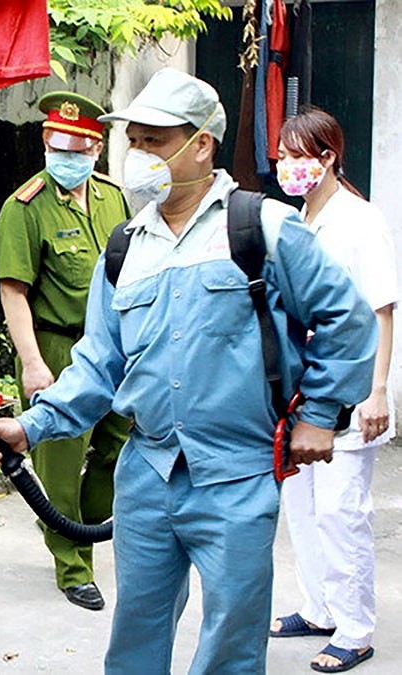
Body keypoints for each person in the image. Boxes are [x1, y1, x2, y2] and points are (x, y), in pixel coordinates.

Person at [0, 68, 378, 674]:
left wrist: (320, 415)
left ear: (201, 144)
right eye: (133, 141)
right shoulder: (125, 248)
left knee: (232, 637)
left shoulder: (261, 227)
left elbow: (348, 319)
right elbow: (99, 364)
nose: (138, 155)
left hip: (237, 470)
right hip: (147, 470)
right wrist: (31, 426)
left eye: (154, 140)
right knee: (136, 630)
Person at [269, 107, 396, 673]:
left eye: (298, 156)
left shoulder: (361, 221)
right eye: (282, 156)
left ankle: (355, 628)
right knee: (302, 507)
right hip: (303, 389)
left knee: (341, 512)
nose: (288, 167)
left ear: (328, 158)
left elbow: (381, 310)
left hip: (349, 390)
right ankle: (319, 608)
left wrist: (377, 391)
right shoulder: (298, 219)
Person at [0, 91, 131, 611]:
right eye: (56, 147)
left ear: (96, 150)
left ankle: (80, 531)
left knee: (117, 449)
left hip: (111, 345)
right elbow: (13, 291)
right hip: (56, 346)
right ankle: (72, 566)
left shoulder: (112, 198)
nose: (65, 158)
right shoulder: (24, 207)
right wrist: (33, 363)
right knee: (60, 464)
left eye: (76, 150)